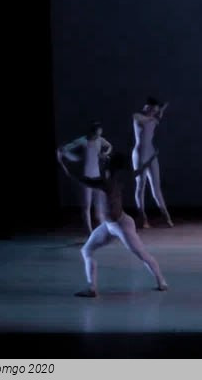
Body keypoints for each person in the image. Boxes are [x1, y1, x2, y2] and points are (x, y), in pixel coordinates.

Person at [58, 150, 168, 297]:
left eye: (104, 161)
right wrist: (150, 159)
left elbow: (77, 177)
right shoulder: (113, 180)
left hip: (121, 225)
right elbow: (139, 171)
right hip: (109, 226)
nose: (101, 162)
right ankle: (92, 288)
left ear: (108, 165)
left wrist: (62, 161)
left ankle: (162, 282)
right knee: (86, 250)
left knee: (141, 253)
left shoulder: (105, 182)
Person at [57, 122, 113, 236]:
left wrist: (105, 153)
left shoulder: (100, 140)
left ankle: (102, 231)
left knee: (99, 206)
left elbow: (109, 146)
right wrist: (63, 153)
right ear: (92, 132)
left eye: (99, 134)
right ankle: (89, 231)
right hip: (85, 178)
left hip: (96, 177)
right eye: (96, 134)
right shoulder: (82, 141)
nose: (98, 136)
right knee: (86, 205)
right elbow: (65, 148)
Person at [133, 97, 172, 228]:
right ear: (147, 107)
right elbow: (143, 119)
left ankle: (166, 216)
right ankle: (142, 218)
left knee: (156, 187)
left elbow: (157, 117)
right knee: (141, 185)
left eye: (155, 111)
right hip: (139, 154)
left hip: (151, 153)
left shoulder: (153, 117)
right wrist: (156, 113)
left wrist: (161, 110)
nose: (154, 113)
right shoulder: (138, 116)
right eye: (152, 110)